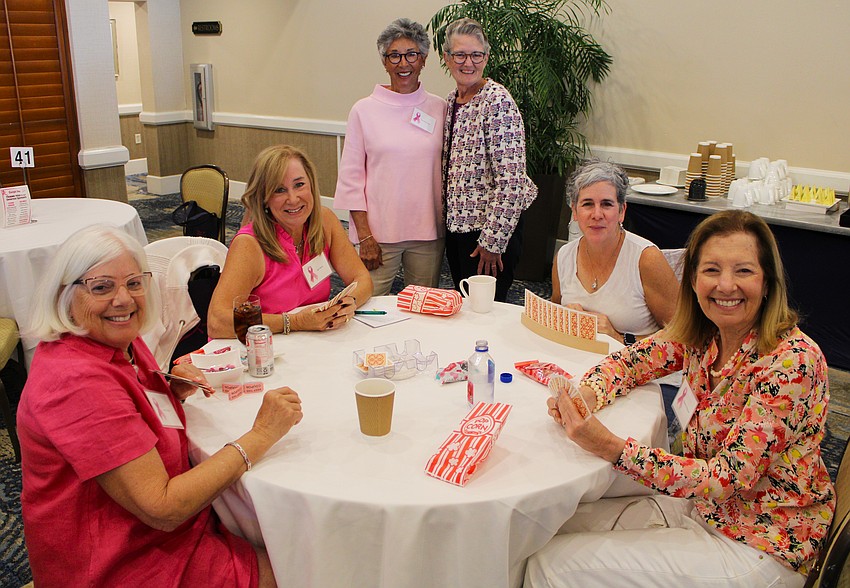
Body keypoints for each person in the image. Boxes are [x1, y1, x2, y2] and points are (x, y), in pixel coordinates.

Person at [527, 210, 834, 587]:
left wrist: (610, 446)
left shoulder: (792, 363)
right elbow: (631, 362)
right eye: (711, 270)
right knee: (544, 529)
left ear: (768, 282)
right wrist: (587, 394)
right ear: (692, 279)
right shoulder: (705, 333)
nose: (725, 285)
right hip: (703, 508)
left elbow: (725, 479)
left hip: (761, 542)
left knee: (551, 565)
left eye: (743, 271)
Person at [18, 225, 303, 587]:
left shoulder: (117, 342)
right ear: (64, 295)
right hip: (124, 561)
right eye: (101, 287)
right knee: (304, 563)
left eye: (134, 283)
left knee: (286, 535)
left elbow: (127, 408)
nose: (124, 299)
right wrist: (262, 434)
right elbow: (164, 509)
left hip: (169, 531)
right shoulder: (75, 383)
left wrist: (171, 390)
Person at [208, 145, 372, 337]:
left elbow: (362, 279)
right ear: (264, 198)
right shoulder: (249, 244)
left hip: (309, 341)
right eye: (279, 190)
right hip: (262, 348)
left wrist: (347, 303)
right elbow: (217, 322)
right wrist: (294, 322)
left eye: (299, 185)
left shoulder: (324, 221)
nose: (293, 199)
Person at [334, 18, 446, 296]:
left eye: (412, 54)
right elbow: (351, 179)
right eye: (394, 55)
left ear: (423, 60)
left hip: (428, 232)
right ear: (384, 62)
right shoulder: (363, 110)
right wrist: (365, 236)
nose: (403, 63)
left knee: (423, 309)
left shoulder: (440, 108)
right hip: (377, 235)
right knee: (368, 307)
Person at [441, 17, 537, 302]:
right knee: (466, 306)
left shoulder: (497, 101)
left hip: (489, 232)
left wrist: (493, 242)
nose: (468, 63)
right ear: (447, 57)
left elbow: (512, 181)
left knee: (487, 313)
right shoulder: (450, 101)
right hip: (458, 226)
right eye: (460, 54)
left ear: (487, 56)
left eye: (476, 55)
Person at [552, 160, 679, 345]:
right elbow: (554, 315)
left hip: (636, 369)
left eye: (606, 204)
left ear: (622, 211)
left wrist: (619, 337)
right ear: (574, 211)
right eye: (587, 204)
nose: (597, 214)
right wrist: (565, 318)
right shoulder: (563, 257)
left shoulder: (646, 259)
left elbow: (683, 336)